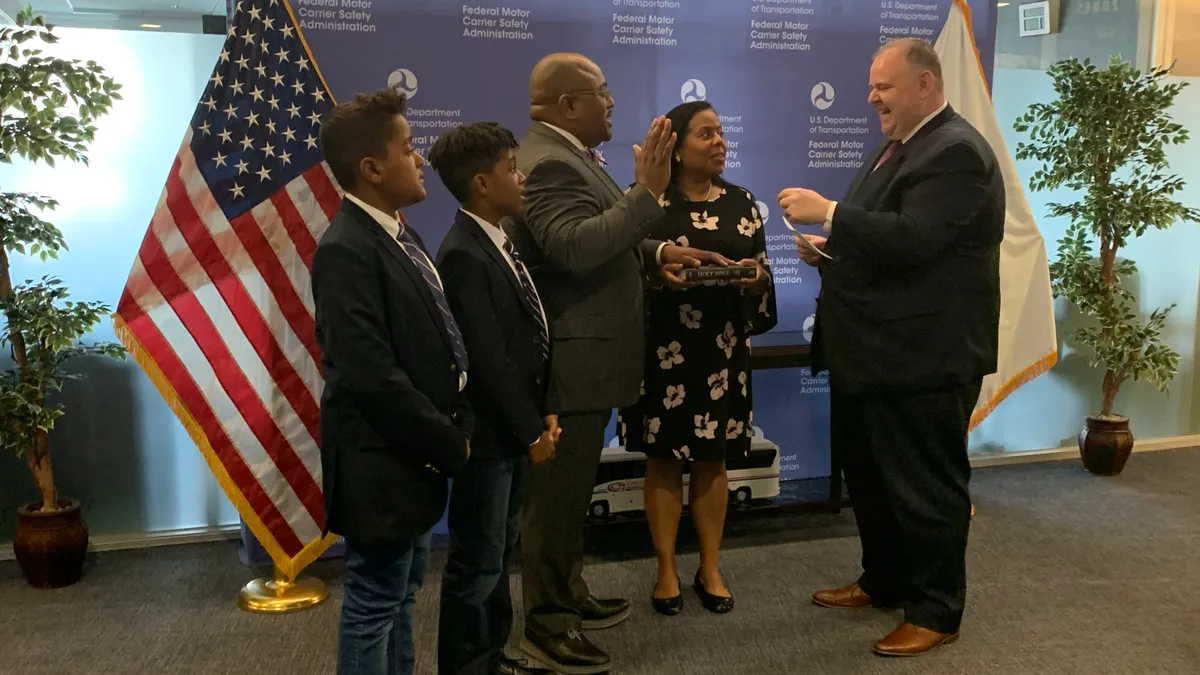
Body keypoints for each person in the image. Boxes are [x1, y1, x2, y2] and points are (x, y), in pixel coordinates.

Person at [780, 37, 1005, 656]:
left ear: (926, 85)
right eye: (873, 85)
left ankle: (935, 610)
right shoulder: (902, 148)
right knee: (875, 483)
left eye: (884, 86)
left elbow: (917, 241)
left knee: (925, 490)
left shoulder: (955, 151)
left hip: (924, 359)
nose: (872, 96)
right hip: (877, 355)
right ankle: (883, 581)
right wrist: (833, 251)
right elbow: (895, 249)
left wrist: (830, 212)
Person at [503, 52, 726, 675]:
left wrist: (657, 251)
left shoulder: (566, 156)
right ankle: (547, 626)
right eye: (601, 93)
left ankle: (568, 594)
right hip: (571, 367)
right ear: (568, 105)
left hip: (591, 361)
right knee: (554, 503)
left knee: (572, 495)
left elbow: (603, 233)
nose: (612, 103)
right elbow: (573, 250)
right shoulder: (547, 163)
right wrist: (649, 193)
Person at [312, 89, 474, 675]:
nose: (421, 159)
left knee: (403, 593)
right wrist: (445, 440)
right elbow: (369, 373)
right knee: (374, 601)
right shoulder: (345, 249)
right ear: (372, 169)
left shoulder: (399, 235)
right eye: (409, 149)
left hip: (412, 457)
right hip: (380, 460)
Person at [617, 100, 776, 617]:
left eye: (722, 133)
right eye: (706, 134)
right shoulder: (644, 204)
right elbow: (617, 275)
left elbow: (765, 274)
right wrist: (652, 275)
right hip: (660, 353)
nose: (719, 142)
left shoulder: (744, 203)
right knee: (662, 461)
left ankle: (709, 566)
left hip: (723, 352)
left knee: (714, 461)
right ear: (677, 147)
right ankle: (665, 569)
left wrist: (757, 280)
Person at [429, 122, 559, 675]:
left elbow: (528, 334)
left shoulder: (499, 239)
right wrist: (531, 431)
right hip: (491, 436)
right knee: (477, 563)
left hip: (516, 427)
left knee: (500, 553)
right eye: (512, 167)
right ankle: (467, 666)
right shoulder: (463, 253)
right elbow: (486, 358)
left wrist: (541, 410)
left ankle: (495, 654)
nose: (522, 177)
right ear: (482, 182)